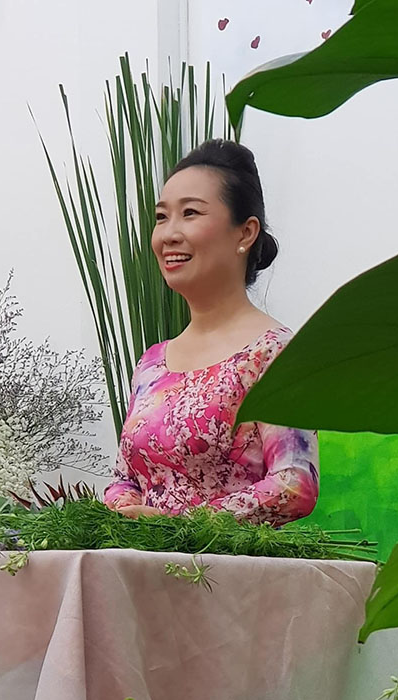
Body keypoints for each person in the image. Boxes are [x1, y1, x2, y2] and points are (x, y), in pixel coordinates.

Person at [103, 139, 319, 527]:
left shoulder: (274, 353)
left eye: (190, 213)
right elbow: (124, 479)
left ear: (245, 233)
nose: (168, 234)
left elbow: (294, 484)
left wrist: (179, 525)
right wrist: (127, 513)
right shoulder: (152, 363)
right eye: (161, 217)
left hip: (224, 562)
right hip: (142, 561)